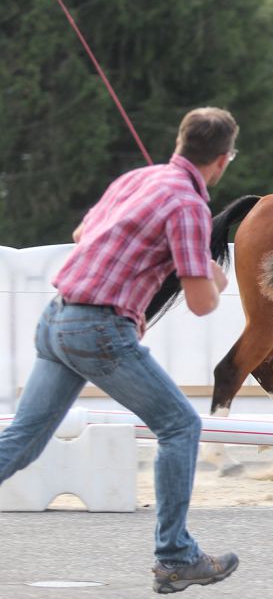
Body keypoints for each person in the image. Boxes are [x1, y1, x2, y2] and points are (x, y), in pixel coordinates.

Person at [0, 107, 240, 594]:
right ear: (223, 160)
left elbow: (81, 236)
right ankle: (175, 558)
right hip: (98, 330)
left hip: (57, 319)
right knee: (181, 426)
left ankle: (176, 555)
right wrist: (215, 276)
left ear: (178, 141)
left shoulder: (137, 178)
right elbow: (199, 304)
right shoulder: (190, 207)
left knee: (22, 442)